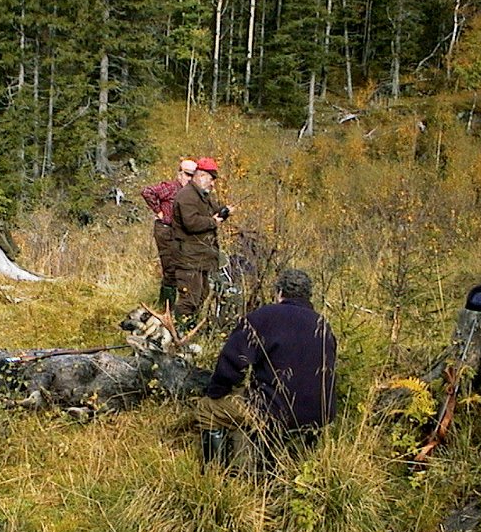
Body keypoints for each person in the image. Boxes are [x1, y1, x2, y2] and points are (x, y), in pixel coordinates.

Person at [196, 269, 337, 470]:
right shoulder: (322, 324)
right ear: (308, 296)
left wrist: (216, 392)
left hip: (275, 412)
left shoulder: (263, 317)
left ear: (279, 292)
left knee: (208, 408)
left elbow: (231, 364)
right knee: (249, 407)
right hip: (321, 415)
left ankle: (214, 473)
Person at [171, 157, 233, 326]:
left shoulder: (201, 196)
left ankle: (188, 329)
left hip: (199, 257)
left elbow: (213, 212)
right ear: (201, 175)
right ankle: (178, 332)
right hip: (188, 258)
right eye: (211, 179)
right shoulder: (186, 196)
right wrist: (213, 222)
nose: (213, 184)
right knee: (189, 299)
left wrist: (224, 212)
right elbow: (191, 223)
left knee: (201, 294)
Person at [140, 157, 198, 308]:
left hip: (180, 233)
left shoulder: (192, 193)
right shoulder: (171, 187)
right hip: (165, 230)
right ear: (180, 173)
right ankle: (165, 306)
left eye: (194, 175)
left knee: (182, 269)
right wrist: (158, 211)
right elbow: (147, 191)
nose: (190, 178)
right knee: (171, 268)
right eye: (188, 174)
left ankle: (171, 306)